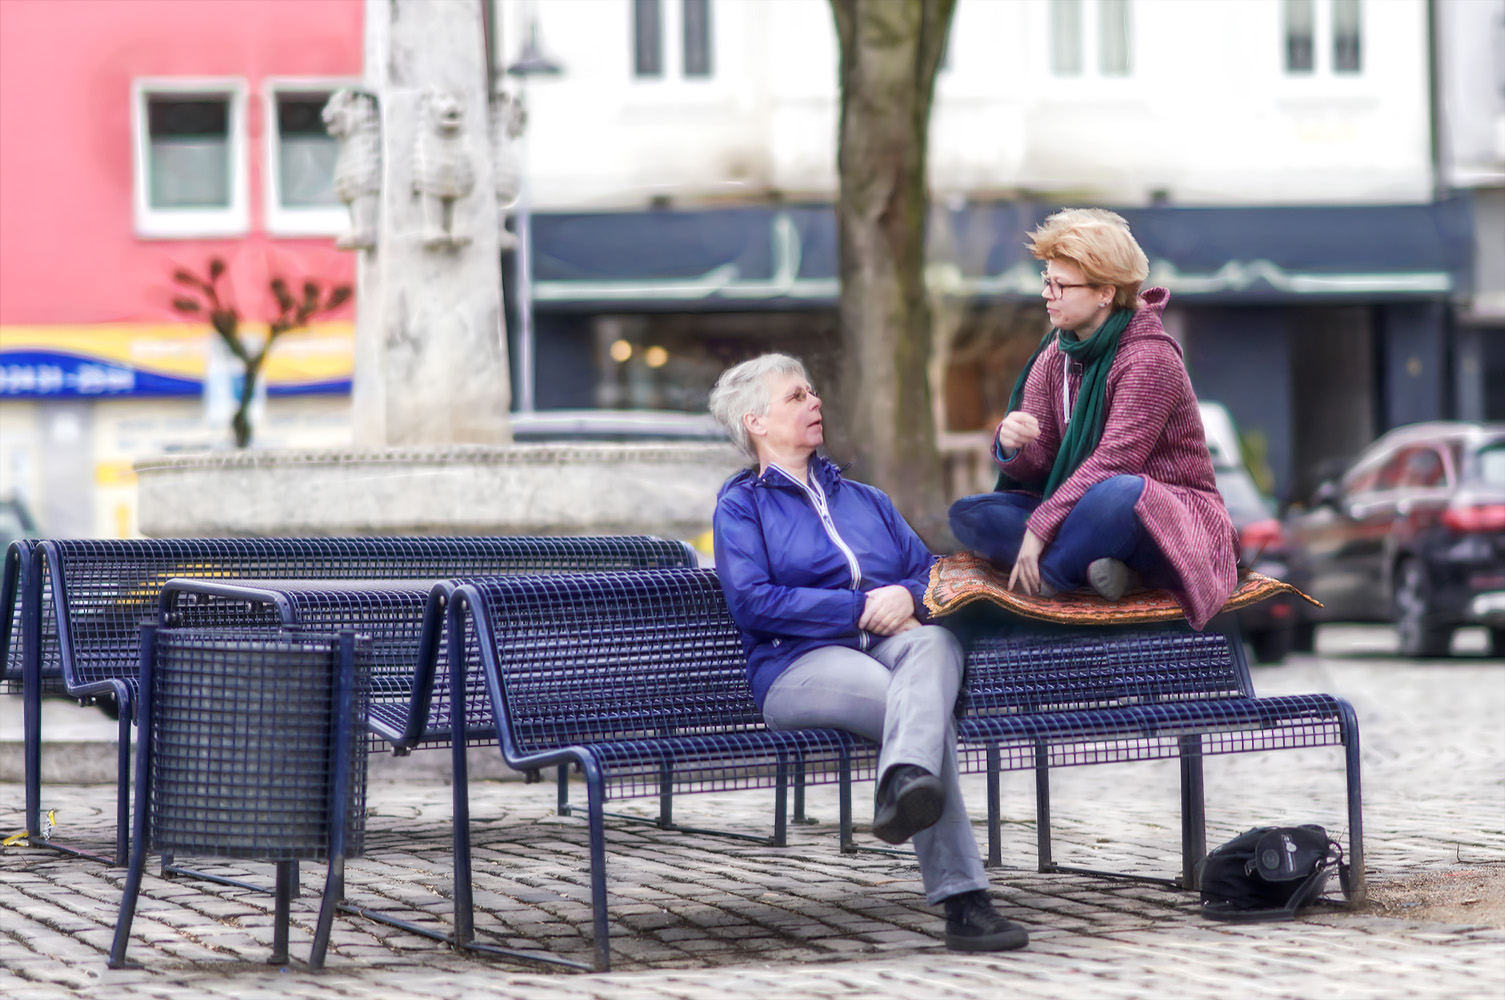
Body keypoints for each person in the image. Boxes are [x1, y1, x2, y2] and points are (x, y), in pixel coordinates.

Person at [708, 353, 1028, 953]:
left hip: (891, 646)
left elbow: (930, 575)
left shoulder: (865, 499)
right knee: (919, 712)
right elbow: (752, 601)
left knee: (935, 641)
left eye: (812, 393)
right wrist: (854, 609)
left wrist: (903, 596)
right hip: (797, 667)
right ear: (755, 421)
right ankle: (964, 900)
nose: (815, 403)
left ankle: (903, 781)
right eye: (796, 397)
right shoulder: (741, 505)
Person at [949, 208, 1238, 630]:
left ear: (1105, 292)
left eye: (1062, 285)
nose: (1048, 294)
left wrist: (1038, 532)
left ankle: (1049, 581)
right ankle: (1098, 568)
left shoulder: (1149, 358)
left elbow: (1114, 463)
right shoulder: (1055, 354)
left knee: (1119, 493)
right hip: (1078, 508)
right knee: (971, 514)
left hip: (1165, 515)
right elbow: (1043, 463)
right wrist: (1014, 444)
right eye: (1046, 281)